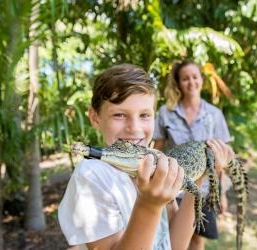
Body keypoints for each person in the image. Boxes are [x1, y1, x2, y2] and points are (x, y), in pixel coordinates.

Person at [58, 63, 234, 250]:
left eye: (144, 115)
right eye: (119, 115)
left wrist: (200, 176)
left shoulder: (155, 161)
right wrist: (149, 205)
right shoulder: (91, 176)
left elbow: (175, 245)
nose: (134, 128)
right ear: (95, 118)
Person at [153, 60, 233, 250]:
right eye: (185, 78)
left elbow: (221, 158)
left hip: (205, 190)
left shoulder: (214, 115)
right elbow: (158, 149)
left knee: (197, 240)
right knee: (173, 241)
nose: (191, 82)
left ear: (201, 80)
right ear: (179, 83)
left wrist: (221, 194)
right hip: (174, 188)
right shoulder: (166, 113)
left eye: (195, 77)